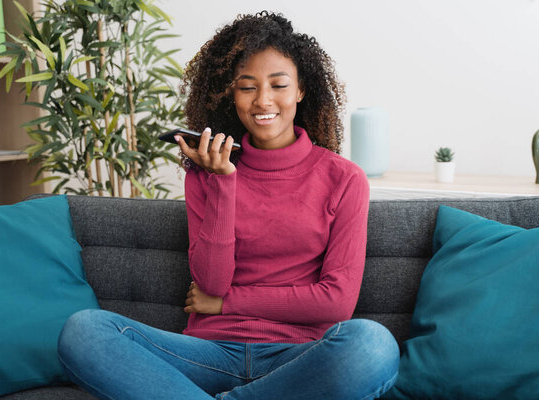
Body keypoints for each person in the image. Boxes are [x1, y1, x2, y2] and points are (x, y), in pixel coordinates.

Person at [57, 10, 399, 400]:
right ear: (230, 95)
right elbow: (211, 282)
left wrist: (226, 302)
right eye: (247, 87)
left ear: (301, 90)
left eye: (278, 85)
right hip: (208, 353)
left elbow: (336, 301)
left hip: (300, 358)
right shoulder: (206, 173)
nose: (263, 100)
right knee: (83, 331)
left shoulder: (344, 179)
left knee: (372, 345)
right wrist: (223, 181)